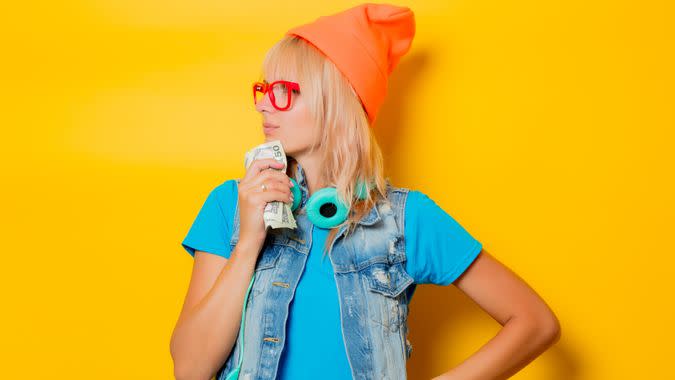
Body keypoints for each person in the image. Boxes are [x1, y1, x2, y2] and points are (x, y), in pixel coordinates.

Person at [170, 3, 561, 380]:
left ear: (336, 101)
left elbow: (535, 323)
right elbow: (189, 370)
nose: (265, 107)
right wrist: (249, 242)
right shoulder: (230, 205)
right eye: (264, 89)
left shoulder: (407, 220)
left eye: (285, 90)